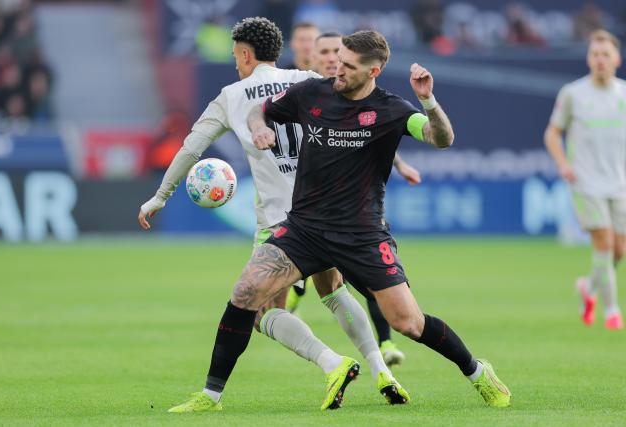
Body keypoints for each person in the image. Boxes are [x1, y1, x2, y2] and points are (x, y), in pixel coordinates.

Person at [176, 29, 512, 412]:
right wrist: (258, 126)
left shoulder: (393, 109)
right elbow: (262, 109)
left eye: (349, 66)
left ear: (374, 71)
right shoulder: (313, 92)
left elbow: (442, 138)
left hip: (362, 235)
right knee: (245, 293)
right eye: (338, 60)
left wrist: (428, 101)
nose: (338, 69)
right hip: (303, 229)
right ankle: (210, 396)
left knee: (408, 323)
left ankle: (476, 371)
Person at [138, 17, 408, 412]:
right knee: (333, 291)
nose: (234, 64)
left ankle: (331, 363)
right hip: (331, 211)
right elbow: (362, 120)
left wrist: (160, 196)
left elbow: (191, 149)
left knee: (261, 310)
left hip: (282, 224)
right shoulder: (307, 81)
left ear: (246, 55)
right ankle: (380, 368)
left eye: (235, 56)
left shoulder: (232, 95)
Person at [286, 30, 422, 367]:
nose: (333, 58)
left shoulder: (357, 92)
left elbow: (369, 136)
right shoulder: (303, 90)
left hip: (350, 202)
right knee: (316, 282)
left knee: (367, 277)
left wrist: (400, 164)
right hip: (302, 202)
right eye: (325, 52)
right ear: (311, 58)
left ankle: (385, 343)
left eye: (337, 50)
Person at [544, 29, 625, 330]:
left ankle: (588, 288)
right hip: (586, 182)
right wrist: (564, 164)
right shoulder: (573, 93)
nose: (600, 60)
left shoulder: (623, 94)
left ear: (616, 59)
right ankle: (613, 311)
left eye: (606, 54)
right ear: (589, 59)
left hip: (619, 182)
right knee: (603, 242)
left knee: (619, 250)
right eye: (595, 54)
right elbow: (552, 133)